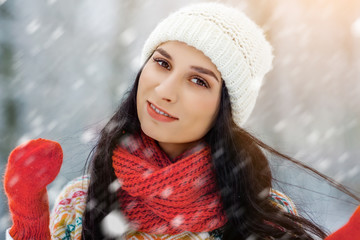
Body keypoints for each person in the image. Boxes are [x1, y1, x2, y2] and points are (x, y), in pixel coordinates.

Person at [3, 2, 360, 240]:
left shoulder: (261, 219)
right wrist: (31, 223)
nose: (165, 90)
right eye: (162, 63)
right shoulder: (82, 205)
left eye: (198, 80)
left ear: (224, 109)